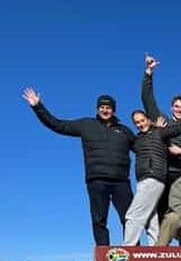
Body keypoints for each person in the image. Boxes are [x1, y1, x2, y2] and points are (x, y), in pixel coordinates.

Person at [22, 87, 134, 245]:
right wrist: (38, 106)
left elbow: (142, 148)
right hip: (97, 180)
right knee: (99, 220)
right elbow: (58, 125)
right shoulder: (86, 124)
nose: (105, 110)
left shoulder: (124, 131)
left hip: (121, 181)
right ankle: (104, 257)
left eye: (108, 107)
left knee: (130, 219)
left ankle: (134, 255)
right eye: (102, 107)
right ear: (97, 108)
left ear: (113, 110)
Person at [123, 111, 181, 246]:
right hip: (143, 180)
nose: (140, 124)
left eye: (142, 120)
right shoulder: (138, 140)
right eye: (137, 122)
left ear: (148, 120)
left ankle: (127, 248)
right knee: (151, 218)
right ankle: (156, 251)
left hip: (153, 178)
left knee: (133, 215)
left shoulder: (160, 133)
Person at [141, 54, 181, 221]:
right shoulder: (162, 120)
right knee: (160, 216)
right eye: (176, 106)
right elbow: (147, 100)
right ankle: (162, 247)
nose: (179, 109)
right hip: (162, 174)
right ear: (171, 107)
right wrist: (148, 72)